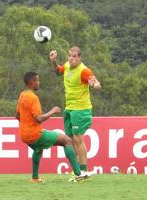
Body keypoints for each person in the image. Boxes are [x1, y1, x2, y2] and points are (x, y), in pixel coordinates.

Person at [16, 72, 88, 183]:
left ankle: (35, 178)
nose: (39, 83)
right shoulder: (33, 98)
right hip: (34, 134)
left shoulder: (22, 95)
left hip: (24, 135)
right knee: (67, 140)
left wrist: (28, 126)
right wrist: (52, 112)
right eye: (37, 80)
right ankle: (78, 175)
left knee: (38, 149)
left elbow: (17, 116)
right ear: (32, 82)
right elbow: (38, 118)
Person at [49, 46, 101, 175]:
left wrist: (94, 84)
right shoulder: (67, 65)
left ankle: (83, 171)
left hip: (81, 109)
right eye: (70, 56)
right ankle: (77, 171)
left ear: (79, 58)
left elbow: (96, 83)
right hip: (69, 108)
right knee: (70, 141)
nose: (71, 59)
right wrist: (53, 61)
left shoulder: (84, 71)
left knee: (78, 140)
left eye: (74, 57)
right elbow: (58, 71)